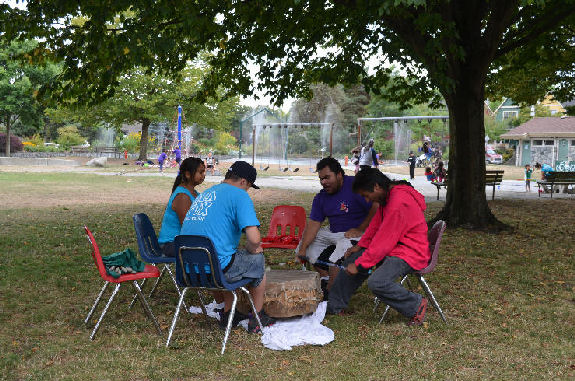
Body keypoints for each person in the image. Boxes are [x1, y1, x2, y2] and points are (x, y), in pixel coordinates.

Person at [327, 168, 430, 326]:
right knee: (351, 261)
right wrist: (360, 246)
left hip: (410, 252)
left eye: (366, 196)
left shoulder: (398, 201)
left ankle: (416, 305)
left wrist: (361, 264)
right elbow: (376, 225)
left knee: (377, 282)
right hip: (395, 247)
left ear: (376, 187)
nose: (367, 201)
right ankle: (334, 307)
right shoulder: (388, 196)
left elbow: (384, 240)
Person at [180, 161, 275, 333]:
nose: (247, 191)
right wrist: (253, 248)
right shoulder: (240, 195)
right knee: (257, 260)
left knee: (229, 256)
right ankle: (257, 317)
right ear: (244, 182)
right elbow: (254, 239)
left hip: (188, 270)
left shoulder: (205, 194)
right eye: (249, 187)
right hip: (217, 270)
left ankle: (229, 313)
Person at [295, 157, 378, 295]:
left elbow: (376, 206)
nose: (323, 182)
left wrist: (361, 228)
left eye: (327, 177)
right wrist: (303, 249)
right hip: (333, 231)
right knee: (305, 243)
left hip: (359, 233)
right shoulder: (321, 197)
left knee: (342, 247)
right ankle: (325, 278)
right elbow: (314, 224)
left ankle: (331, 293)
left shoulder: (356, 186)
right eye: (321, 179)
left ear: (339, 174)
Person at [157, 157, 206, 256]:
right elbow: (188, 226)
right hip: (171, 244)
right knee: (210, 250)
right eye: (200, 172)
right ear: (188, 174)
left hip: (182, 241)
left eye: (204, 172)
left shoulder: (194, 194)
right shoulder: (183, 197)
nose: (203, 175)